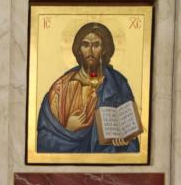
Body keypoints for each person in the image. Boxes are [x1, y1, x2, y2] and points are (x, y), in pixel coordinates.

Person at [37, 22, 140, 153]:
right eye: (85, 45)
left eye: (96, 45)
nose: (90, 51)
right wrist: (68, 130)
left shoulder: (117, 84)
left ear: (105, 50)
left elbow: (131, 135)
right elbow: (44, 139)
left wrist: (124, 142)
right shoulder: (61, 87)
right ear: (78, 49)